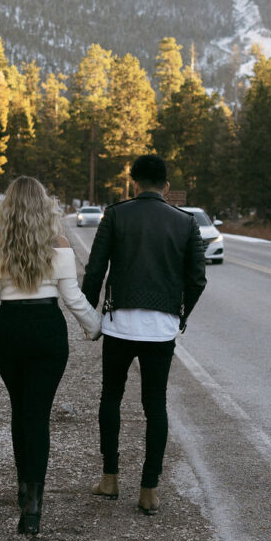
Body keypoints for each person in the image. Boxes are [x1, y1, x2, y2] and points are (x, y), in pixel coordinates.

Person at [0, 176, 102, 536]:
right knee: (37, 416)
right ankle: (34, 505)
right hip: (47, 333)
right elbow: (73, 300)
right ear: (45, 208)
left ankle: (24, 487)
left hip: (8, 334)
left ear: (7, 210)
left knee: (19, 411)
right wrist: (96, 327)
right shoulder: (60, 247)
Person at [81, 154, 207, 515]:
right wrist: (180, 315)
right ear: (166, 186)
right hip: (161, 329)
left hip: (119, 324)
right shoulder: (185, 223)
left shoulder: (116, 214)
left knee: (111, 397)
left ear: (133, 182)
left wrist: (91, 316)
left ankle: (109, 478)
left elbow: (94, 271)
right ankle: (149, 489)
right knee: (156, 406)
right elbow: (197, 278)